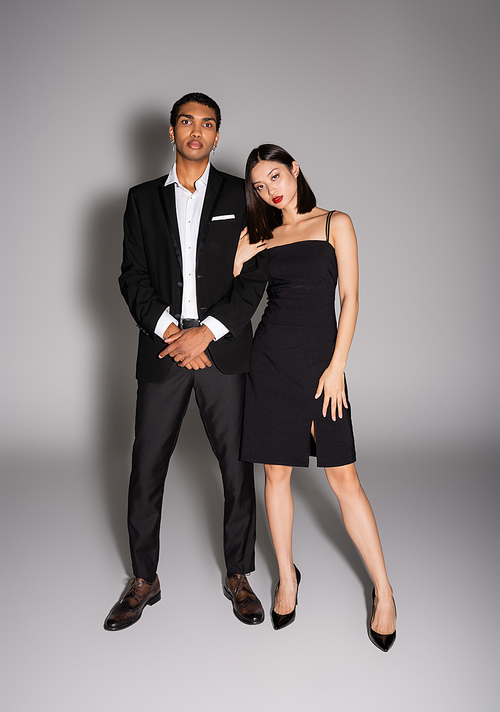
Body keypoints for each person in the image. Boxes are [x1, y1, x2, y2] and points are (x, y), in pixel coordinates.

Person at [103, 94, 268, 631]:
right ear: (171, 132)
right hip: (164, 348)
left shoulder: (243, 196)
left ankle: (239, 572)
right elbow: (132, 276)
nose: (197, 131)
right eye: (187, 122)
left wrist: (208, 333)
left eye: (208, 124)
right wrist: (172, 332)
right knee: (147, 466)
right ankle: (144, 579)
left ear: (218, 137)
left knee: (237, 470)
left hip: (222, 350)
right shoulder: (141, 200)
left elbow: (255, 277)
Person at [237, 144, 396, 650]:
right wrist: (240, 261)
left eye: (276, 176)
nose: (271, 190)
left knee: (343, 477)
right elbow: (238, 303)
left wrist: (336, 368)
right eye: (260, 186)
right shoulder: (265, 236)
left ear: (296, 169)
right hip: (270, 364)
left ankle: (385, 591)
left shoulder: (335, 223)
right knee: (275, 474)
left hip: (321, 368)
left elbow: (350, 298)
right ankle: (287, 576)